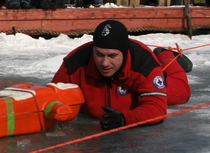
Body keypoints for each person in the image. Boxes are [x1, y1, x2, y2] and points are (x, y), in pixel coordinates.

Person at [52, 20, 191, 130]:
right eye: (99, 54)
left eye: (112, 56)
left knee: (182, 92)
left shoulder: (144, 63)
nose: (105, 63)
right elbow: (52, 97)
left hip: (140, 90)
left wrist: (126, 118)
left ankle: (165, 54)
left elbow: (157, 108)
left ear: (124, 53)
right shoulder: (75, 63)